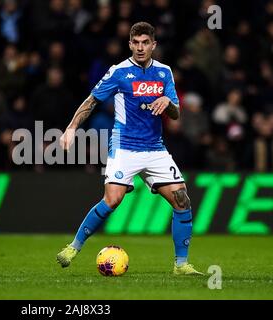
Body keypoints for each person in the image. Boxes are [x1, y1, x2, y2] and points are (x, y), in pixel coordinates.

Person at [56, 22, 203, 275]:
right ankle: (73, 247)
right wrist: (71, 127)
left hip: (155, 148)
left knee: (182, 200)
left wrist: (168, 101)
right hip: (125, 146)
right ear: (130, 44)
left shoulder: (165, 72)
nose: (140, 47)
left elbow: (176, 114)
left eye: (145, 42)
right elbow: (91, 101)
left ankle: (181, 264)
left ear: (153, 45)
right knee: (112, 200)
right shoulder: (119, 72)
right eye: (135, 42)